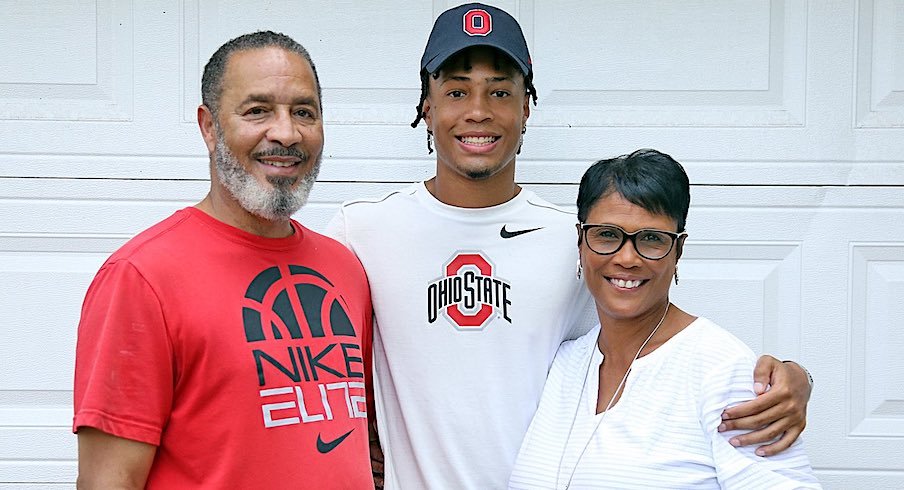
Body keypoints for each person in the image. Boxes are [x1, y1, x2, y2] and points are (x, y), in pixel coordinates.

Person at [326, 3, 813, 489]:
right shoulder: (359, 231)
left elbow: (648, 339)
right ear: (427, 106)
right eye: (456, 91)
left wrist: (787, 376)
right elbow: (306, 356)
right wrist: (351, 436)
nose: (478, 111)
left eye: (500, 92)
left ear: (525, 108)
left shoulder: (578, 240)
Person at [72, 31, 374, 489]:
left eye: (303, 112)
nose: (286, 133)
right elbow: (108, 482)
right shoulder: (141, 277)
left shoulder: (344, 268)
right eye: (257, 111)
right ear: (209, 126)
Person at [508, 149, 820, 489]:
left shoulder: (721, 371)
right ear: (581, 240)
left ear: (678, 250)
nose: (627, 258)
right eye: (607, 235)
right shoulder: (562, 363)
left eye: (652, 239)